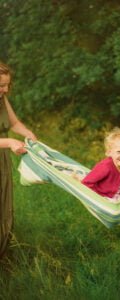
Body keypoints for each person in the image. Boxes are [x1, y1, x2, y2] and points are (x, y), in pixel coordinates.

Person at [0, 61, 37, 258]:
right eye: (1, 85)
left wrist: (28, 133)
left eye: (7, 85)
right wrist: (9, 142)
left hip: (2, 162)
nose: (5, 89)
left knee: (3, 208)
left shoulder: (2, 99)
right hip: (4, 148)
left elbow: (13, 123)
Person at [82, 128, 120, 202]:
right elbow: (86, 182)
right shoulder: (105, 167)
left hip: (119, 197)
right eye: (119, 152)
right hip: (103, 197)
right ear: (109, 152)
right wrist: (95, 198)